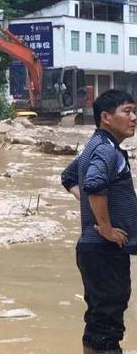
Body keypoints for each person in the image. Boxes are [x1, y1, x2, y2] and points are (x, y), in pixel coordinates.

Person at [61, 89, 137, 354]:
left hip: (93, 250)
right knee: (108, 322)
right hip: (104, 250)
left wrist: (90, 206)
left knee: (99, 319)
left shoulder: (96, 146)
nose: (133, 118)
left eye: (134, 111)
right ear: (106, 117)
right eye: (127, 111)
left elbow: (69, 177)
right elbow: (93, 185)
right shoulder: (107, 151)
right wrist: (105, 227)